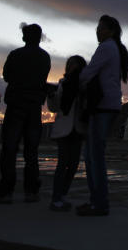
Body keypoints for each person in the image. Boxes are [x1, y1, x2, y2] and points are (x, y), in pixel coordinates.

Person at [0, 23, 51, 204]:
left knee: (9, 149)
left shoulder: (16, 55)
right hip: (34, 106)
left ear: (25, 37)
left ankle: (5, 192)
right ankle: (31, 191)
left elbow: (7, 75)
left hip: (16, 104)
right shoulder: (44, 57)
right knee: (31, 151)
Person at [76, 14, 128, 216]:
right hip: (110, 105)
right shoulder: (115, 48)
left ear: (111, 31)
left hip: (102, 106)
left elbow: (89, 72)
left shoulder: (106, 47)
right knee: (92, 155)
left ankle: (99, 203)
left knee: (94, 156)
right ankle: (96, 201)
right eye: (97, 28)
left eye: (102, 28)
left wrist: (73, 80)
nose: (98, 31)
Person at [45, 54, 87, 212]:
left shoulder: (84, 85)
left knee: (74, 164)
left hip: (77, 129)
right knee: (63, 164)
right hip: (64, 129)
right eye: (70, 65)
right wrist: (51, 96)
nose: (72, 68)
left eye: (75, 65)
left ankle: (62, 195)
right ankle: (56, 198)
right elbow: (55, 107)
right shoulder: (63, 84)